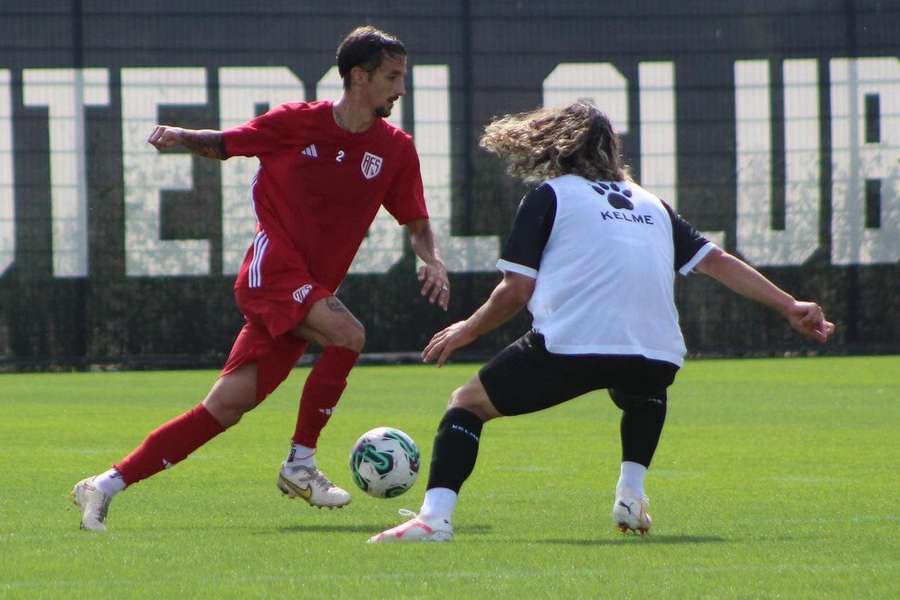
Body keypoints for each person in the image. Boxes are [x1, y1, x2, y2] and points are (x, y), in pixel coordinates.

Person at [368, 100, 835, 543]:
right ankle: (631, 496)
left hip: (572, 349)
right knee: (642, 387)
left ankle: (434, 520)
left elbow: (515, 292)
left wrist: (466, 330)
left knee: (466, 405)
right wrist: (789, 305)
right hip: (656, 356)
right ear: (612, 150)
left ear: (554, 146)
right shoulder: (653, 203)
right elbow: (719, 262)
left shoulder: (550, 195)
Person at [72, 26, 451, 531]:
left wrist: (432, 258)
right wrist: (183, 136)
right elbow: (228, 143)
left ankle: (104, 485)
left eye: (402, 76)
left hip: (308, 293)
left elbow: (417, 222)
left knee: (223, 408)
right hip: (271, 273)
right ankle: (300, 464)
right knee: (350, 335)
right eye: (392, 76)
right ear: (358, 77)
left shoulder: (396, 149)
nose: (401, 88)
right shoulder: (298, 122)